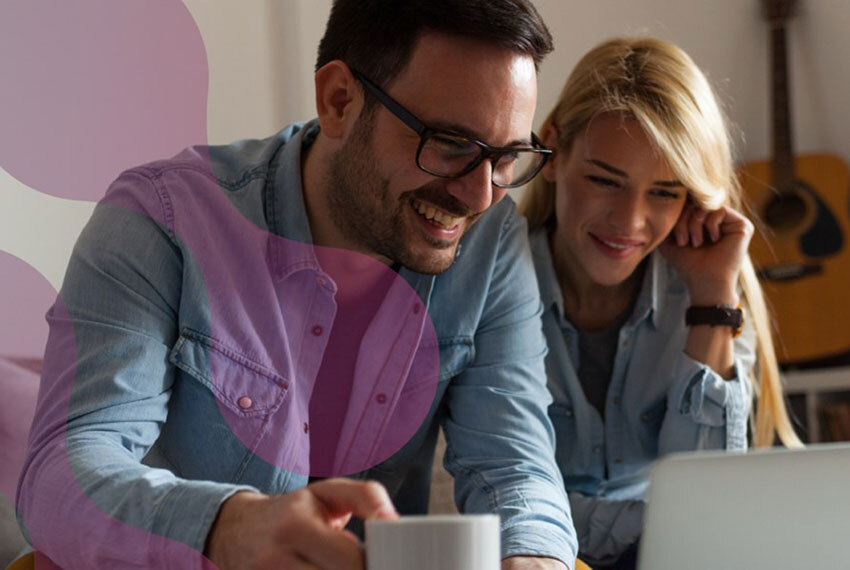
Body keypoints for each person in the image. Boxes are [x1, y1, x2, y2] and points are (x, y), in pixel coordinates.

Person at [16, 1, 578, 569]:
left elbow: (516, 465)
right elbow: (61, 477)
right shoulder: (161, 219)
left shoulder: (490, 242)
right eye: (450, 144)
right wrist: (226, 528)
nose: (480, 195)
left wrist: (535, 558)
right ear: (339, 101)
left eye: (506, 156)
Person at [519, 37, 802, 568]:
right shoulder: (496, 284)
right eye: (605, 180)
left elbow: (709, 495)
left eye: (665, 192)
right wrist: (661, 523)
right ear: (552, 153)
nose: (629, 222)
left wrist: (713, 300)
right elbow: (498, 498)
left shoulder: (707, 292)